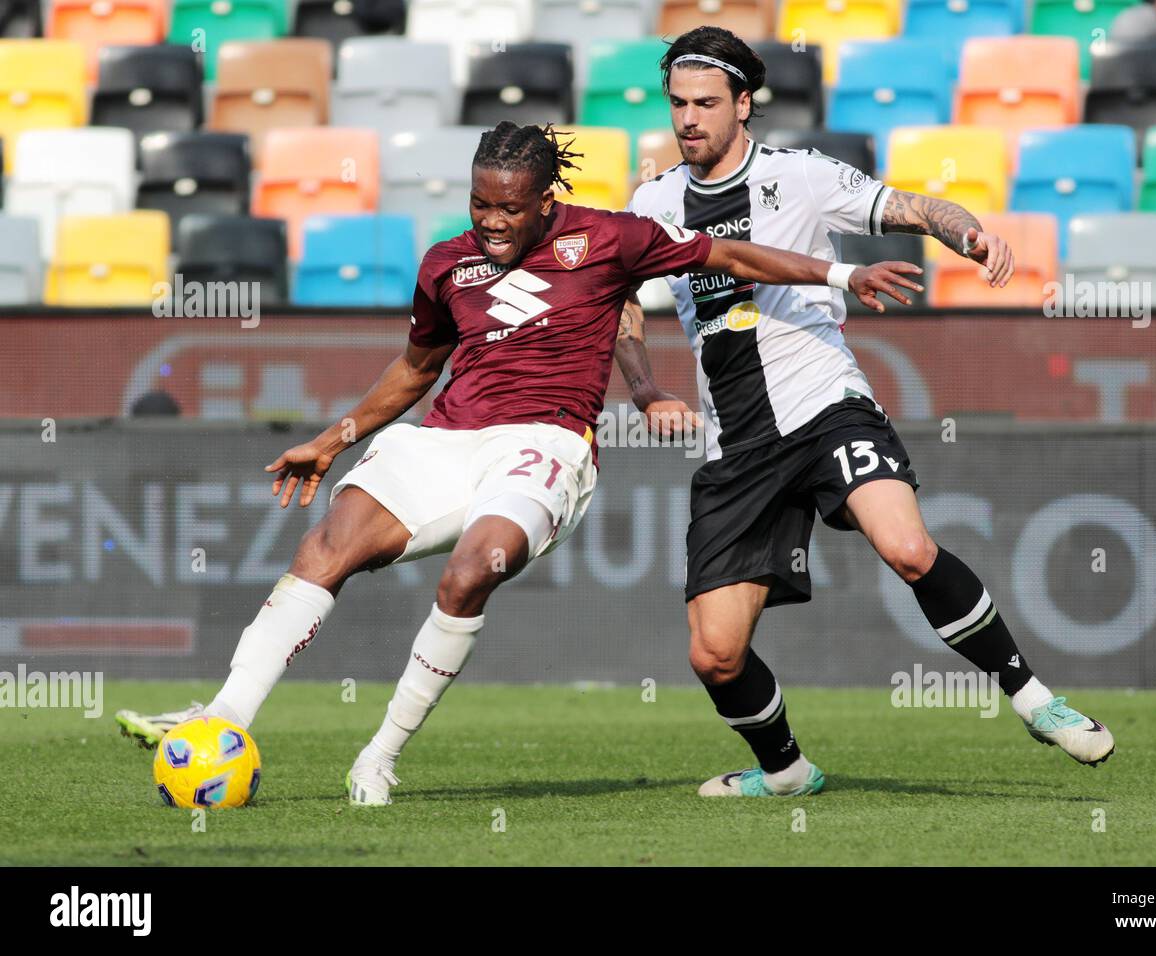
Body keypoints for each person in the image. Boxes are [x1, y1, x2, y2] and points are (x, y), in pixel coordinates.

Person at [115, 121, 923, 806]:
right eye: (480, 204)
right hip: (443, 438)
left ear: (545, 200)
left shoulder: (610, 238)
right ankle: (220, 718)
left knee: (471, 571)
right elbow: (415, 369)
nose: (492, 223)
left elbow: (734, 257)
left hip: (545, 445)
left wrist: (843, 271)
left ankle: (381, 755)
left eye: (509, 208)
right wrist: (337, 437)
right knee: (325, 550)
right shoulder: (445, 264)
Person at [615, 28, 1115, 798]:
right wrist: (646, 390)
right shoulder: (652, 203)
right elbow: (617, 301)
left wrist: (967, 233)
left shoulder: (801, 177)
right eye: (678, 104)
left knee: (909, 546)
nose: (689, 119)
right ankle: (785, 773)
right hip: (738, 445)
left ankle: (1034, 700)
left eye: (706, 103)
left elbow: (910, 207)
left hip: (825, 408)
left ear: (743, 104)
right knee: (714, 655)